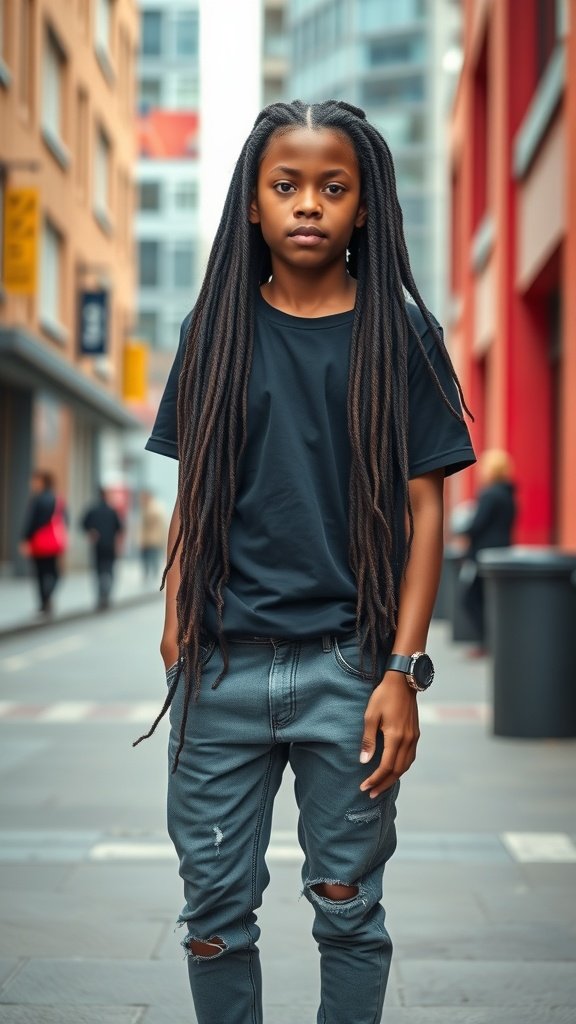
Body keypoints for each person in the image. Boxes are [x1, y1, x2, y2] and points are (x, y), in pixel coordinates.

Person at [135, 100, 476, 1024]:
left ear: (366, 207)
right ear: (253, 204)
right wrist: (174, 629)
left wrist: (402, 672)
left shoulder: (403, 336)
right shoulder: (213, 331)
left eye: (334, 187)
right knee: (212, 921)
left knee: (349, 911)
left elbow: (427, 512)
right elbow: (194, 495)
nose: (310, 204)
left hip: (350, 671)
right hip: (220, 667)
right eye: (286, 186)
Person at [462, 449, 517, 654]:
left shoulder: (490, 494)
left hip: (483, 554)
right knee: (492, 598)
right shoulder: (508, 494)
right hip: (503, 551)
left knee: (471, 599)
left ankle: (487, 641)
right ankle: (494, 641)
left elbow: (477, 525)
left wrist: (463, 529)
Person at [20, 470, 68, 616]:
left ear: (41, 482)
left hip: (38, 542)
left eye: (35, 481)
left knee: (40, 573)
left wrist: (25, 539)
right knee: (55, 573)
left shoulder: (37, 500)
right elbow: (65, 520)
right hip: (53, 542)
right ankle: (48, 596)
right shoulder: (57, 499)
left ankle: (43, 602)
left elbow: (30, 522)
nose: (32, 484)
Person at [81, 487, 124, 610]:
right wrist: (118, 545)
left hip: (98, 546)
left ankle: (101, 596)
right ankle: (106, 595)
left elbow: (83, 523)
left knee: (99, 572)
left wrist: (91, 532)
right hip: (110, 546)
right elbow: (120, 529)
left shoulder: (92, 510)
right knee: (109, 571)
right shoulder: (112, 511)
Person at [138, 490, 167, 582]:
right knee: (149, 561)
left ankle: (151, 579)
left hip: (152, 540)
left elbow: (147, 527)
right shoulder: (151, 508)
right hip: (150, 540)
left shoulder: (152, 509)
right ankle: (150, 578)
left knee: (151, 560)